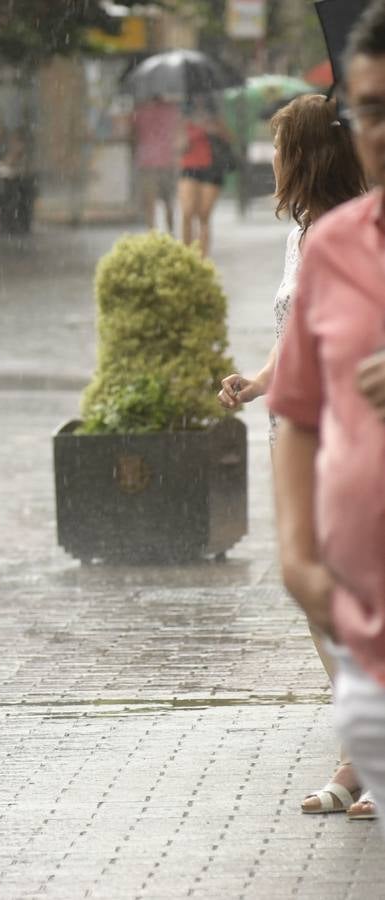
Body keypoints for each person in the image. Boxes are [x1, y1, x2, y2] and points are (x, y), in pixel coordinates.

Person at [217, 92, 370, 819]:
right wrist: (256, 381)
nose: (271, 160)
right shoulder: (303, 233)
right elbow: (294, 333)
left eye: (280, 147)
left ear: (304, 156)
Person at [269, 0, 385, 841]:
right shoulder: (334, 244)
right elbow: (298, 407)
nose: (374, 131)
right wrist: (295, 548)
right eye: (365, 111)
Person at [178, 95, 231, 256]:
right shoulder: (184, 120)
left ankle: (202, 256)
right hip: (189, 167)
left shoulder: (216, 119)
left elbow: (229, 139)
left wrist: (211, 129)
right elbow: (178, 146)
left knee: (204, 214)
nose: (199, 102)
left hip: (212, 168)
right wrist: (189, 134)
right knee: (187, 212)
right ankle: (186, 254)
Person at [132, 94, 180, 233]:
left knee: (149, 203)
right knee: (169, 201)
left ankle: (152, 235)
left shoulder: (140, 111)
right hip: (168, 160)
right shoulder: (173, 111)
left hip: (147, 162)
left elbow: (134, 134)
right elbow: (178, 135)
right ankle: (171, 233)